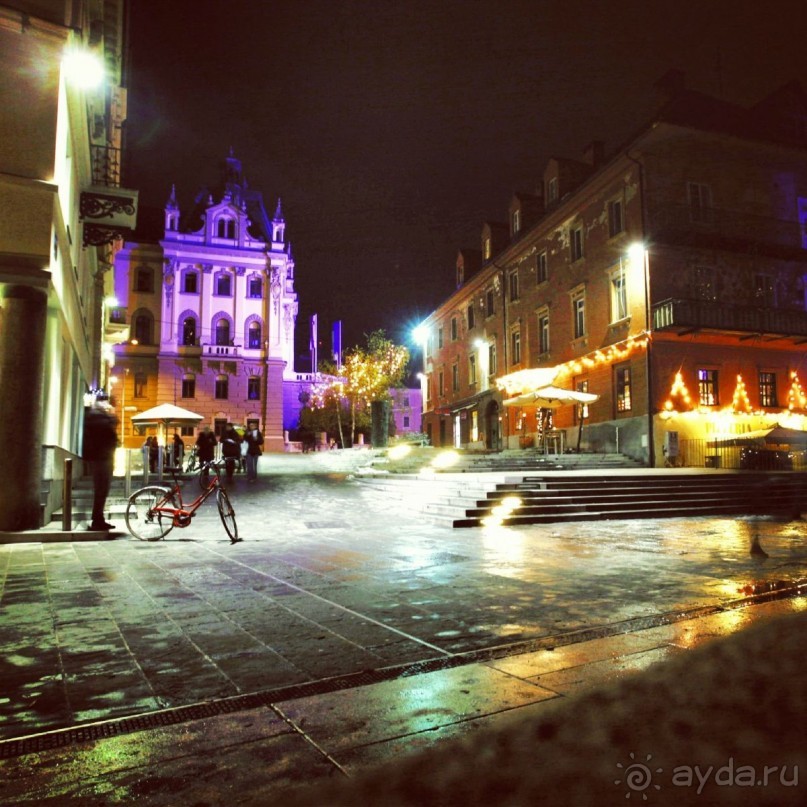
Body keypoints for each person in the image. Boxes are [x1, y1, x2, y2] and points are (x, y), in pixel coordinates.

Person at [82, 391, 118, 531]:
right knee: (101, 489)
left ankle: (98, 518)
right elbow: (107, 432)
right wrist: (111, 417)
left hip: (103, 457)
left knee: (102, 490)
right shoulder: (96, 416)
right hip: (101, 458)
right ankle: (97, 520)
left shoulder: (98, 415)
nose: (107, 405)